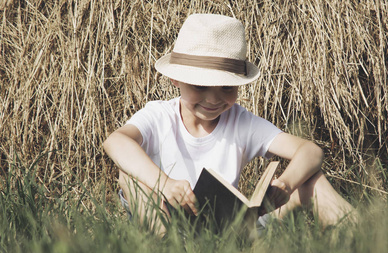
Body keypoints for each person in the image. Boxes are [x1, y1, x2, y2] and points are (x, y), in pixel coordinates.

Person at [103, 13, 355, 236]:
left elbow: (311, 151)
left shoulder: (241, 121)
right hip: (166, 223)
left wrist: (285, 185)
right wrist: (165, 184)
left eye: (226, 87)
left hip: (231, 230)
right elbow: (115, 141)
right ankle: (167, 248)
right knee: (129, 175)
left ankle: (364, 241)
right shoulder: (159, 116)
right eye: (200, 86)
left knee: (312, 180)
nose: (213, 99)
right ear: (175, 79)